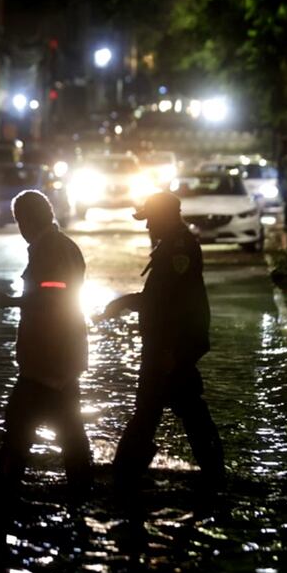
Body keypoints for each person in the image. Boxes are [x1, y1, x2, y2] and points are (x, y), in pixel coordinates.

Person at [101, 192, 225, 488]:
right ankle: (213, 474)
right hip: (169, 346)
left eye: (150, 220)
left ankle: (125, 476)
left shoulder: (178, 249)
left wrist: (170, 351)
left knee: (156, 411)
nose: (147, 228)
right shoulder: (173, 246)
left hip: (169, 347)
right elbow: (162, 300)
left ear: (165, 217)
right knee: (175, 409)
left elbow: (170, 304)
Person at [0, 190, 92, 494]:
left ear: (28, 220)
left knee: (19, 428)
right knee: (70, 430)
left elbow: (53, 293)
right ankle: (81, 491)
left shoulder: (49, 250)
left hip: (47, 358)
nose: (19, 228)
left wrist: (12, 302)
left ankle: (3, 494)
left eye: (19, 220)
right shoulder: (63, 246)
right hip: (65, 355)